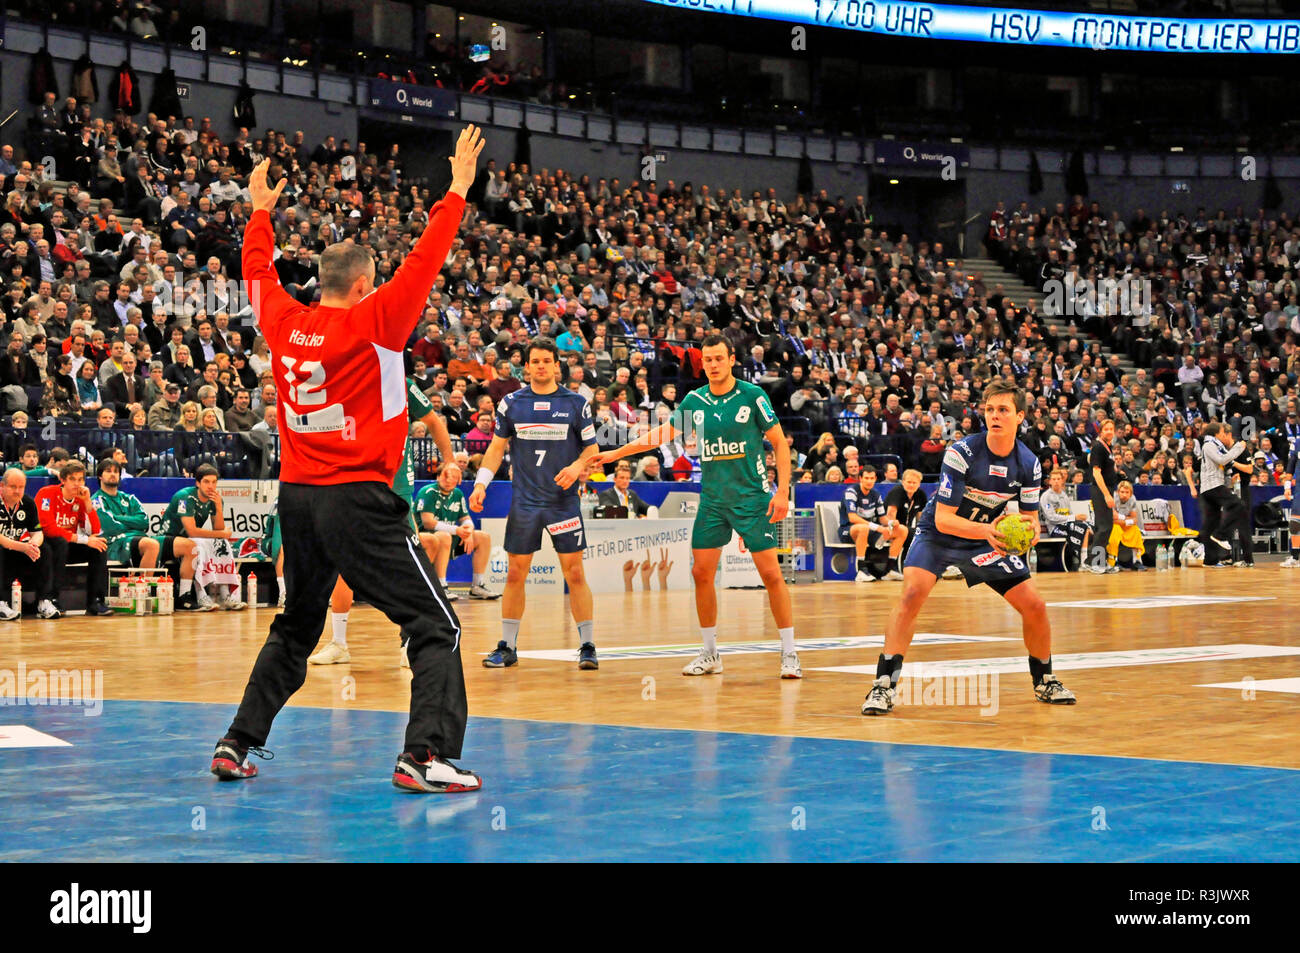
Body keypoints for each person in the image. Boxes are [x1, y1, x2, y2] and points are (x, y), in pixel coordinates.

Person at [213, 129, 484, 795]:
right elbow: (426, 258)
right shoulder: (378, 320)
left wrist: (258, 212)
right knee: (436, 625)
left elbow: (257, 273)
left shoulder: (283, 321)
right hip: (358, 498)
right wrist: (456, 190)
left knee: (296, 623)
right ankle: (425, 754)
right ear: (364, 284)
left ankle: (237, 741)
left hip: (298, 498)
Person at [591, 333, 801, 678]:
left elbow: (779, 443)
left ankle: (790, 653)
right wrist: (616, 452)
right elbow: (661, 435)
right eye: (707, 360)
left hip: (751, 499)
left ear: (732, 359)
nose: (713, 365)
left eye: (719, 358)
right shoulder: (695, 401)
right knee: (701, 573)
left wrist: (782, 493)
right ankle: (710, 653)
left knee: (771, 575)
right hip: (713, 501)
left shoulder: (752, 395)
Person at [861, 382, 1075, 715]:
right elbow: (945, 519)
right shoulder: (962, 452)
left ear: (1020, 416)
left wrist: (1029, 532)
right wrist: (987, 530)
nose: (995, 416)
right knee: (911, 594)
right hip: (939, 533)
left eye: (1003, 410)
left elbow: (1032, 518)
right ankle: (883, 686)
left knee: (1035, 605)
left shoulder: (1029, 463)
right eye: (989, 410)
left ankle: (1045, 680)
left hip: (984, 538)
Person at [307, 371, 458, 667]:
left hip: (395, 489)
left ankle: (410, 640)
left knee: (410, 569)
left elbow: (433, 421)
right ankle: (339, 642)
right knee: (341, 564)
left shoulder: (402, 384)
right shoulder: (346, 381)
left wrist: (450, 459)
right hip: (354, 485)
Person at [469, 338, 600, 670]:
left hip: (562, 502)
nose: (541, 366)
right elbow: (497, 448)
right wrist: (481, 483)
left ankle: (587, 645)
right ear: (525, 366)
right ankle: (507, 646)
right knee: (514, 573)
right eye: (535, 361)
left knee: (574, 573)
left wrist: (576, 467)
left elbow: (591, 450)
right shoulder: (511, 403)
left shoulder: (576, 403)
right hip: (525, 502)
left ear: (556, 364)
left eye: (547, 360)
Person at [34, 459, 114, 618]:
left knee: (98, 547)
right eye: (72, 479)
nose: (77, 484)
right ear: (63, 480)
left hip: (68, 544)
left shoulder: (80, 498)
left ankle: (95, 602)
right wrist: (84, 540)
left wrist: (87, 503)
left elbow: (94, 530)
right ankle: (52, 599)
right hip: (45, 545)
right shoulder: (46, 494)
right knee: (60, 543)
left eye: (80, 479)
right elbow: (48, 528)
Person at [161, 464, 245, 610]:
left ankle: (225, 594)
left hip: (190, 540)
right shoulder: (184, 497)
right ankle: (201, 595)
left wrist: (218, 507)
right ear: (197, 483)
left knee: (222, 543)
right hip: (170, 539)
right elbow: (192, 531)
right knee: (199, 543)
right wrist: (222, 533)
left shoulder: (215, 499)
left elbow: (218, 529)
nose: (211, 486)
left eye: (214, 482)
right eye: (206, 482)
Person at [414, 462, 497, 601]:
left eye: (453, 477)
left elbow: (465, 518)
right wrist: (457, 530)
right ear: (438, 477)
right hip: (427, 538)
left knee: (483, 537)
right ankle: (441, 586)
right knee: (445, 535)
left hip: (451, 536)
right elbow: (428, 522)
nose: (449, 481)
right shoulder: (428, 492)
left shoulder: (457, 494)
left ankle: (478, 586)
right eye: (446, 477)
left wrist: (468, 531)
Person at [91, 457, 167, 570]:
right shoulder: (96, 500)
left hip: (135, 538)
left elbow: (144, 522)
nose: (113, 474)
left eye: (116, 472)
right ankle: (144, 587)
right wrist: (133, 525)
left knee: (181, 545)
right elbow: (111, 528)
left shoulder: (130, 498)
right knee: (151, 545)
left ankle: (183, 587)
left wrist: (117, 517)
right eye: (108, 471)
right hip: (114, 543)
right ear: (100, 476)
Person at [1197, 421, 1253, 568]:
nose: (1224, 435)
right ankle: (1220, 535)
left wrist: (1229, 479)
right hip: (1212, 486)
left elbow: (1220, 466)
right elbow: (1223, 459)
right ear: (1216, 434)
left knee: (1210, 524)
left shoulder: (1214, 446)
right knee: (1238, 505)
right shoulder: (1209, 445)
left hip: (1210, 487)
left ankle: (1210, 560)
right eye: (1222, 432)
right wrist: (1239, 447)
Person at [840, 465, 904, 582]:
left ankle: (890, 570)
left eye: (872, 478)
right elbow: (852, 517)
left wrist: (891, 522)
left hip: (869, 531)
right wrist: (878, 528)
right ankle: (861, 570)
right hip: (848, 530)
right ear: (860, 478)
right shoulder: (851, 492)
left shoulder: (875, 494)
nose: (869, 481)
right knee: (863, 528)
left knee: (901, 530)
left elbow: (882, 518)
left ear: (875, 479)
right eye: (866, 478)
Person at [0, 467, 42, 621]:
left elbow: (37, 532)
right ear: (2, 486)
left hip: (17, 548)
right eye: (13, 487)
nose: (17, 491)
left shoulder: (28, 503)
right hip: (7, 548)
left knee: (46, 549)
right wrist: (24, 547)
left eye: (21, 487)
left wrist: (33, 545)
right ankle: (1, 603)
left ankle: (45, 601)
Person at [1039, 467, 1089, 571]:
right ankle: (1081, 561)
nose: (1056, 481)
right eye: (1054, 479)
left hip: (1066, 525)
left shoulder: (1064, 495)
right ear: (1050, 482)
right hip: (1054, 528)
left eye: (1058, 479)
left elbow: (1069, 513)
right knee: (1080, 528)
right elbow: (1051, 517)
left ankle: (1084, 562)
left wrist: (1077, 518)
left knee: (1086, 527)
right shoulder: (1046, 496)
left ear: (1062, 480)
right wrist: (1074, 517)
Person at [1087, 417, 1120, 574]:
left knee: (1106, 526)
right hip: (1100, 490)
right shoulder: (1098, 447)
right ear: (1101, 431)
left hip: (1108, 488)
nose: (1109, 432)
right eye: (1106, 429)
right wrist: (1107, 495)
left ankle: (1095, 561)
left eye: (1111, 429)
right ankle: (1095, 562)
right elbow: (1096, 472)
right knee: (1104, 526)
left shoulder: (1108, 446)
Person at [883, 468, 928, 576]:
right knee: (905, 532)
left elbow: (921, 517)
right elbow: (890, 514)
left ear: (919, 484)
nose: (911, 485)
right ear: (903, 482)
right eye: (908, 482)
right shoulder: (897, 492)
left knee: (922, 535)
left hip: (906, 528)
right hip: (888, 527)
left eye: (914, 483)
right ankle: (891, 569)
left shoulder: (920, 495)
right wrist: (893, 525)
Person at [1108, 480, 1147, 571]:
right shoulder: (1113, 498)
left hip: (1124, 524)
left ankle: (1137, 561)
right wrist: (1127, 519)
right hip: (1111, 525)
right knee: (1116, 530)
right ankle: (1114, 561)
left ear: (1130, 493)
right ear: (1118, 492)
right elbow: (1113, 519)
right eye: (1122, 492)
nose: (1124, 495)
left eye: (1127, 492)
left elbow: (1134, 519)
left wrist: (1122, 519)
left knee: (1135, 530)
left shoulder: (1133, 499)